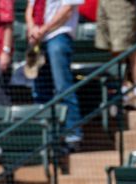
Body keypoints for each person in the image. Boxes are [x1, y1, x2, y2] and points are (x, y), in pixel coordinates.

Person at [25, 0, 83, 152]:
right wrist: (32, 29)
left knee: (63, 88)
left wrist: (43, 29)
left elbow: (67, 11)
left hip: (58, 35)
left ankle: (72, 136)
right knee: (40, 91)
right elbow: (30, 8)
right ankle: (46, 137)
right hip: (38, 38)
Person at [95, 0, 136, 109]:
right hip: (104, 4)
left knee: (130, 48)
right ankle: (124, 92)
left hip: (122, 5)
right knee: (115, 50)